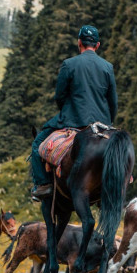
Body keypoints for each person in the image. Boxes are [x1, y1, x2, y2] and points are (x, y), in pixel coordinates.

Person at [31, 25, 117, 199]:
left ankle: (43, 185)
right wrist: (108, 123)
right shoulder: (107, 67)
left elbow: (59, 96)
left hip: (74, 119)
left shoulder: (69, 64)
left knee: (37, 144)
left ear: (79, 43)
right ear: (98, 45)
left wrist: (67, 111)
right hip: (102, 123)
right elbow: (112, 101)